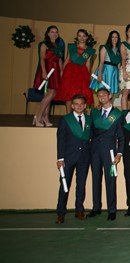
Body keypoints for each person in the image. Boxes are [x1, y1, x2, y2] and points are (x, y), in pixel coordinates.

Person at [88, 88, 124, 221]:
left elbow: (121, 136)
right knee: (95, 179)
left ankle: (112, 210)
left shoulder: (118, 114)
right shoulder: (94, 113)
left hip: (110, 152)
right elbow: (90, 132)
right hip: (95, 151)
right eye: (99, 96)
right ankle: (96, 208)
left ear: (110, 96)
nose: (101, 97)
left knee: (111, 180)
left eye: (104, 95)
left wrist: (119, 153)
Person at [55, 94, 91, 224]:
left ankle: (79, 210)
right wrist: (60, 158)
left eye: (81, 104)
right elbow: (61, 139)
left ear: (85, 105)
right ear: (72, 106)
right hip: (68, 158)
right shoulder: (65, 120)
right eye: (76, 104)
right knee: (65, 185)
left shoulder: (89, 120)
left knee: (81, 185)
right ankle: (61, 213)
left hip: (84, 157)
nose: (79, 106)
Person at [55, 29, 95, 110]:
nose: (82, 38)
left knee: (80, 95)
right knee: (69, 96)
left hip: (82, 73)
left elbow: (88, 64)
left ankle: (79, 115)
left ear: (87, 37)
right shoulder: (72, 47)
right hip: (69, 72)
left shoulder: (89, 50)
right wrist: (62, 71)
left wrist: (88, 76)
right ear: (77, 37)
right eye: (79, 36)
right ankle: (69, 116)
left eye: (84, 36)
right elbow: (67, 59)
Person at [33, 25, 64, 127]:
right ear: (48, 33)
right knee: (50, 93)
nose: (54, 34)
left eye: (56, 32)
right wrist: (44, 71)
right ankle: (38, 116)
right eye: (52, 32)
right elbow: (42, 59)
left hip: (56, 70)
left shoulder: (58, 46)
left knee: (51, 94)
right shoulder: (44, 44)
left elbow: (59, 60)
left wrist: (61, 71)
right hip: (48, 69)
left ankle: (45, 117)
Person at [90, 30, 121, 95]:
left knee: (111, 92)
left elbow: (118, 64)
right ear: (110, 38)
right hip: (106, 70)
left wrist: (119, 76)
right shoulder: (105, 48)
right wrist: (100, 74)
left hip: (114, 72)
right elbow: (101, 62)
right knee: (103, 91)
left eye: (116, 37)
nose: (114, 39)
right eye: (113, 37)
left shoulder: (119, 50)